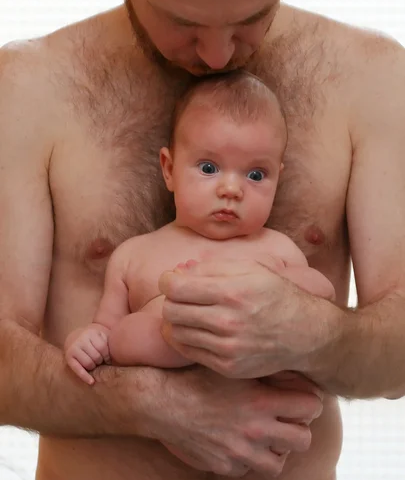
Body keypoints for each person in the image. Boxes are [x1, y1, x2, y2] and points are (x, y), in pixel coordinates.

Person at [0, 0, 404, 480]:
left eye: (252, 18)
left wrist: (314, 334)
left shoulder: (373, 78)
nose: (217, 56)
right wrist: (149, 405)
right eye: (182, 21)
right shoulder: (28, 90)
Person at [64, 71, 334, 386]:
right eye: (209, 168)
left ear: (279, 177)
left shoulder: (278, 250)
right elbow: (105, 332)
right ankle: (183, 337)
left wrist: (276, 283)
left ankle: (190, 334)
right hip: (164, 402)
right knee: (125, 337)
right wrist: (82, 340)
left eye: (257, 175)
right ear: (169, 169)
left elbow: (322, 300)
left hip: (260, 393)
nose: (231, 189)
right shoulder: (134, 255)